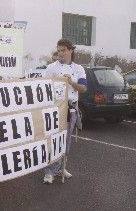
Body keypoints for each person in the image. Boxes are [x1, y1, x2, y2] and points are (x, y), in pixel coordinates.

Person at [42, 38, 87, 184]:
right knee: (53, 140)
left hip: (71, 108)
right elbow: (43, 88)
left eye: (63, 50)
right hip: (55, 109)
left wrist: (71, 82)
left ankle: (62, 167)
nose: (60, 53)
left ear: (70, 51)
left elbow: (83, 88)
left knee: (66, 142)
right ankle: (49, 172)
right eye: (58, 50)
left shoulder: (78, 69)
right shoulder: (51, 68)